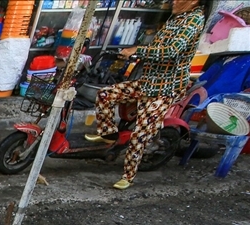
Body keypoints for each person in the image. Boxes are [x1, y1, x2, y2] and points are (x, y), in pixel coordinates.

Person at [84, 0, 207, 189]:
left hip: (165, 89)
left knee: (139, 135)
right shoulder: (176, 18)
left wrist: (138, 50)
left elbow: (171, 51)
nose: (173, 1)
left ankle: (128, 176)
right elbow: (158, 48)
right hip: (148, 81)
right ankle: (108, 134)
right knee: (105, 94)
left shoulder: (193, 20)